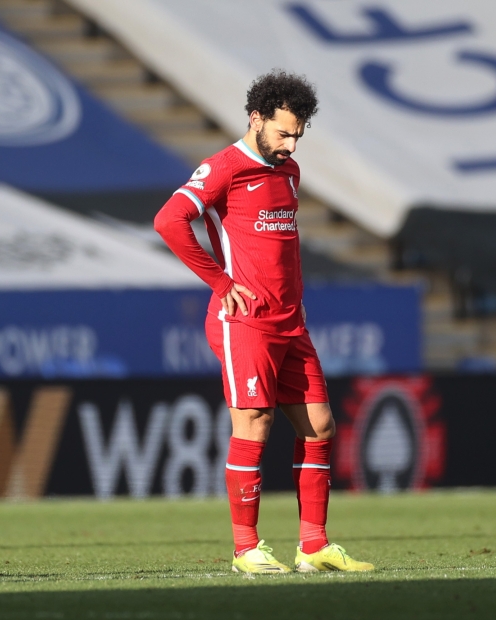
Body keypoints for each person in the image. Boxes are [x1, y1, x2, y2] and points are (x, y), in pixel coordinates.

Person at [153, 70, 373, 574]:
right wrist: (220, 282)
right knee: (256, 422)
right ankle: (245, 550)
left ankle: (313, 547)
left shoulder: (287, 172)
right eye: (283, 132)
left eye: (299, 134)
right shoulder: (224, 167)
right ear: (256, 118)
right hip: (243, 321)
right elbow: (169, 221)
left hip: (290, 322)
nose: (291, 144)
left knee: (319, 426)